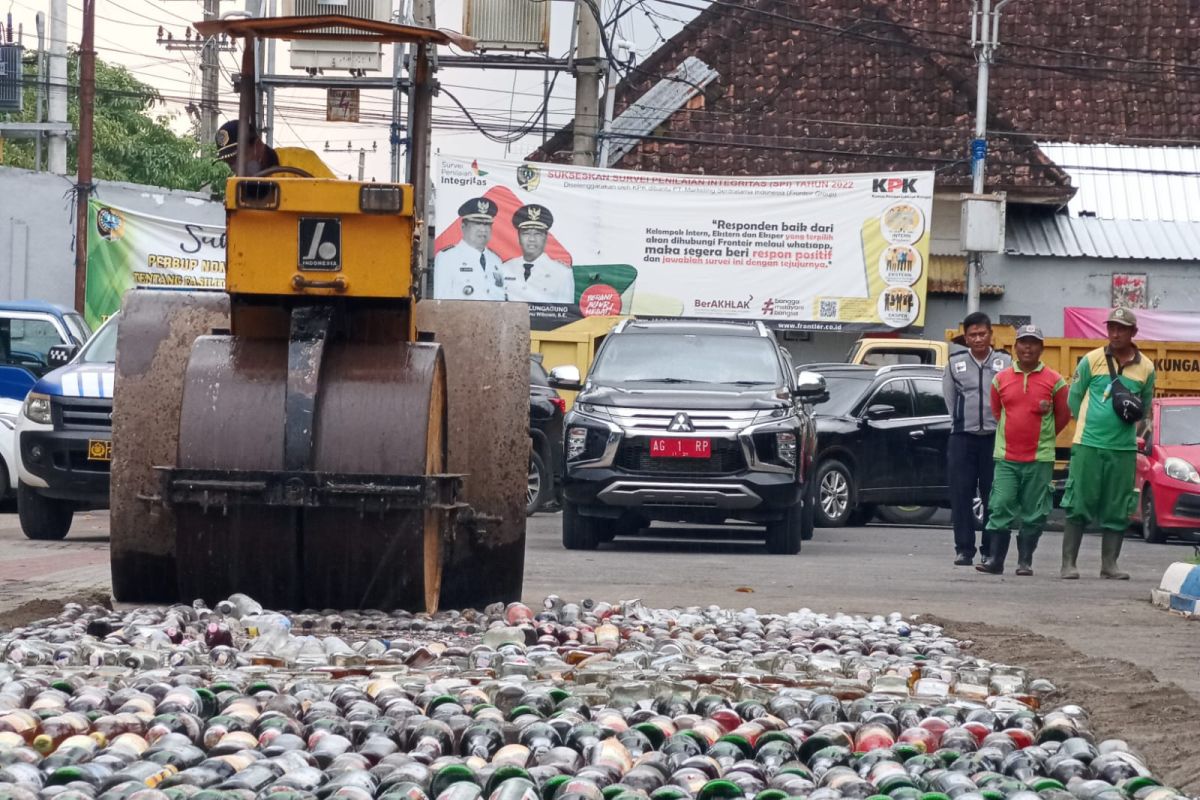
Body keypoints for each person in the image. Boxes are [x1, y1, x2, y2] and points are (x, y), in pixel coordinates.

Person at [1060, 306, 1156, 580]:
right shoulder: (1091, 360)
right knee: (1078, 502)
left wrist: (1126, 433)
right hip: (1088, 445)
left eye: (1121, 328)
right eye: (1111, 327)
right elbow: (1074, 398)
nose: (1114, 333)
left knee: (1118, 505)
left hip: (1124, 449)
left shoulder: (1146, 367)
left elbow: (1145, 406)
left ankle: (1109, 565)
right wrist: (1089, 426)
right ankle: (1069, 563)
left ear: (1133, 332)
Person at [976, 324, 1071, 576]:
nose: (1028, 347)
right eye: (1023, 342)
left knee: (1034, 512)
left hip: (1039, 458)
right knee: (1000, 505)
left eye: (1033, 343)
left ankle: (1025, 561)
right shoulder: (1000, 379)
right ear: (1015, 347)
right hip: (1006, 457)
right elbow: (998, 413)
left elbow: (1063, 416)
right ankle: (995, 561)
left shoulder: (1055, 381)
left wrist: (1044, 438)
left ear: (1041, 348)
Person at [943, 311, 1012, 566]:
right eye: (973, 335)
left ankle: (989, 549)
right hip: (962, 438)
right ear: (966, 338)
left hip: (995, 438)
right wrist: (962, 422)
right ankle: (964, 549)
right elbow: (950, 399)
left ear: (990, 335)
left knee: (993, 496)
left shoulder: (1005, 362)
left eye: (982, 333)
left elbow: (1010, 396)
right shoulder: (955, 362)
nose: (978, 339)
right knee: (961, 494)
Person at [432, 198, 505, 301]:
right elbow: (441, 304)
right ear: (463, 226)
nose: (483, 229)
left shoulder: (496, 260)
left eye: (487, 224)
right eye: (477, 223)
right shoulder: (447, 258)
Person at [502, 204, 575, 304]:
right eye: (526, 233)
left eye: (537, 234)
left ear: (545, 238)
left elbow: (565, 313)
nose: (532, 239)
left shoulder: (562, 273)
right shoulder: (505, 268)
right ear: (519, 237)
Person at [215, 120, 280, 174]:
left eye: (238, 159)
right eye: (230, 163)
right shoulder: (237, 185)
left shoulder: (289, 166)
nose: (235, 168)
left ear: (258, 146)